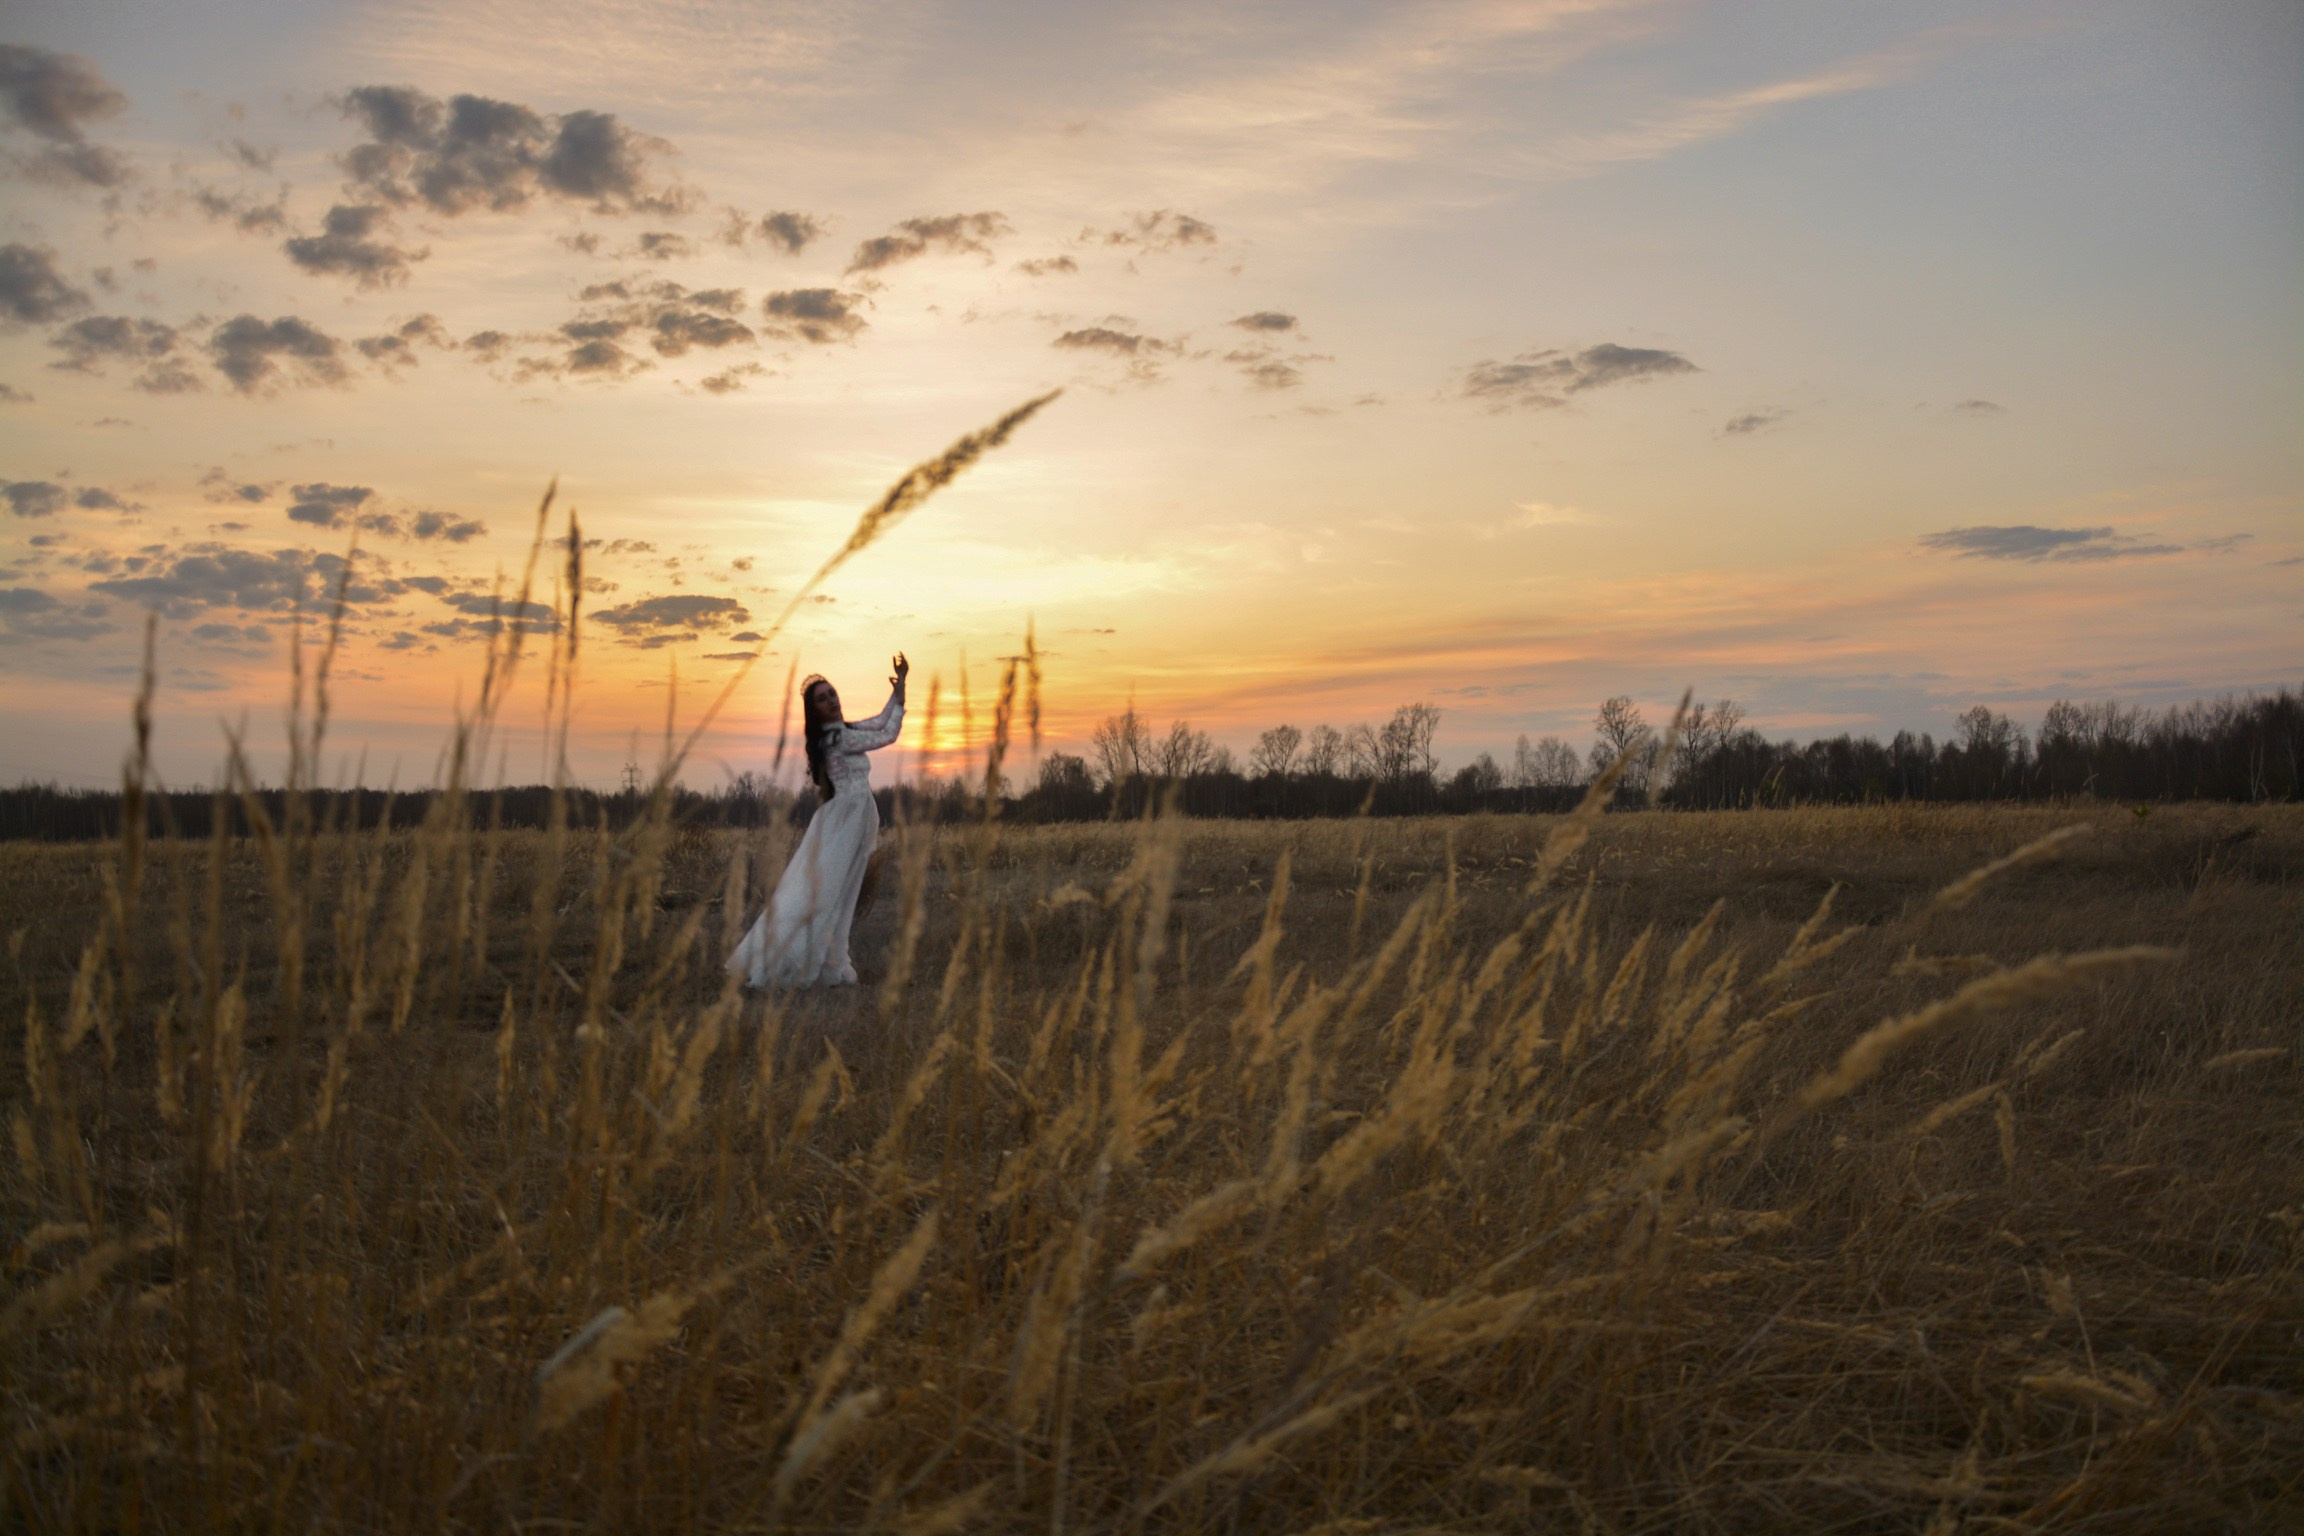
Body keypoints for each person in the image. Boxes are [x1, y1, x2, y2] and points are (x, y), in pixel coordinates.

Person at [728, 654, 907, 989]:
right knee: (824, 894)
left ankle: (829, 963)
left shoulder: (844, 730)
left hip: (853, 819)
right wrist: (899, 704)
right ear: (815, 710)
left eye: (832, 694)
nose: (831, 701)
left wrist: (901, 687)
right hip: (845, 822)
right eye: (822, 699)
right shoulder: (836, 739)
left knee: (842, 895)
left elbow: (881, 719)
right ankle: (789, 962)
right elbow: (887, 735)